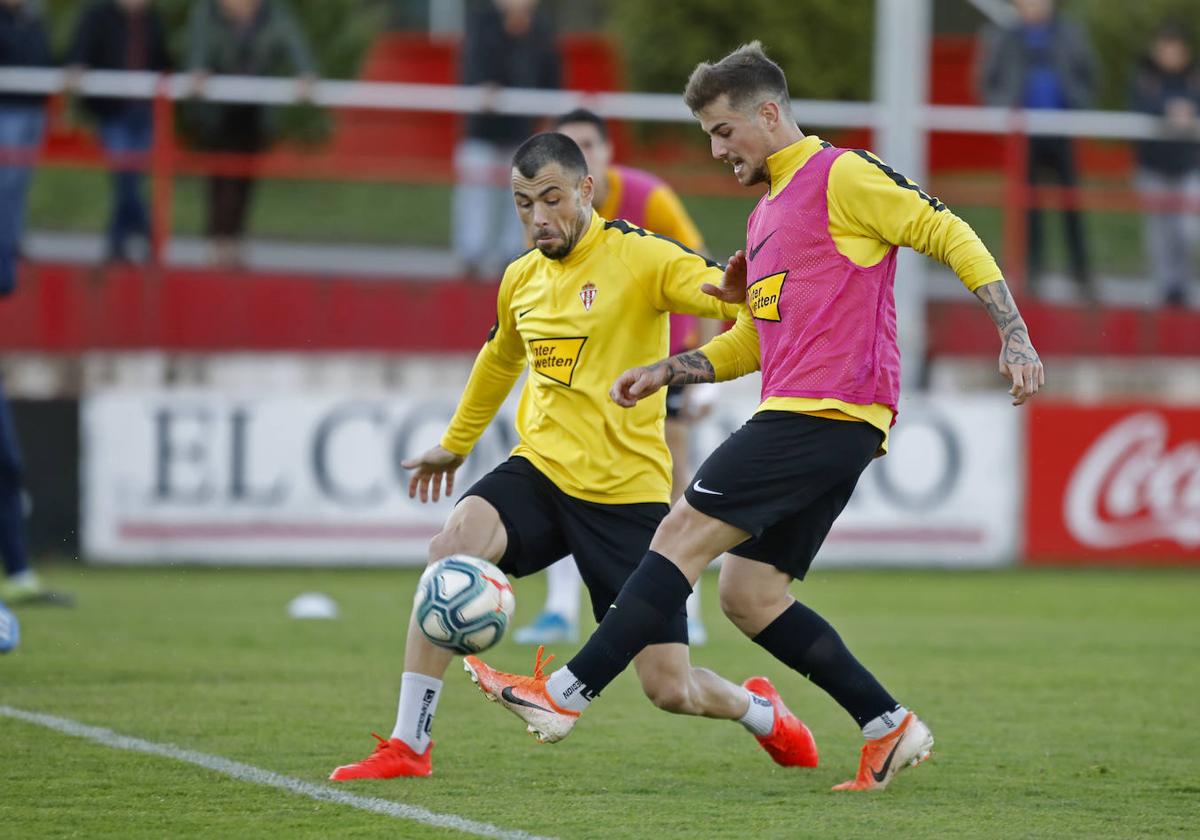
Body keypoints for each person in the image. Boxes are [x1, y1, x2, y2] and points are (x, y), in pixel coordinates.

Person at [466, 42, 1046, 793]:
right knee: (750, 595)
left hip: (824, 412)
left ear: (768, 115)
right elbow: (753, 338)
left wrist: (1014, 329)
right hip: (818, 418)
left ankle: (566, 695)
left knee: (678, 530)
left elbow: (945, 228)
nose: (715, 148)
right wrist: (666, 369)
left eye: (723, 130)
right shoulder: (769, 210)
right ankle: (888, 725)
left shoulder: (843, 175)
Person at [329, 132, 818, 781]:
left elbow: (708, 288)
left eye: (552, 199)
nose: (538, 217)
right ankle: (407, 744)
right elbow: (500, 356)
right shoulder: (521, 279)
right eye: (523, 202)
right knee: (450, 552)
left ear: (587, 190)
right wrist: (456, 444)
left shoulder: (638, 257)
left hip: (626, 498)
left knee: (670, 688)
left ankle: (759, 710)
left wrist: (730, 290)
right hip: (542, 471)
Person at [513, 108, 713, 647]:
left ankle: (681, 603)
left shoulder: (648, 197)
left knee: (672, 481)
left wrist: (697, 363)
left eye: (586, 146)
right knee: (556, 467)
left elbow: (702, 269)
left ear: (600, 159)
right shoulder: (550, 218)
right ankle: (559, 608)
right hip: (580, 361)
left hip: (659, 360)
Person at [978, 0, 1097, 299]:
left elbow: (1089, 74)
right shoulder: (1004, 36)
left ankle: (1082, 275)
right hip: (1023, 135)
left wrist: (1077, 103)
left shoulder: (1069, 32)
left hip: (1062, 129)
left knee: (1071, 204)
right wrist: (1003, 110)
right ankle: (1031, 274)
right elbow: (987, 81)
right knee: (1028, 207)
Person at [184, 0, 315, 268]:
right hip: (218, 111)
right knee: (220, 176)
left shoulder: (273, 14)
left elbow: (294, 42)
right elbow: (197, 52)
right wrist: (197, 73)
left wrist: (306, 74)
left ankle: (235, 240)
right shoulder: (207, 14)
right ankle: (218, 242)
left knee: (245, 177)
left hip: (254, 111)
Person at [453, 0, 561, 279]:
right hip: (482, 130)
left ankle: (513, 256)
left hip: (520, 132)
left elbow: (551, 76)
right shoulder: (482, 23)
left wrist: (549, 116)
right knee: (476, 191)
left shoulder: (541, 29)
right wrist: (483, 89)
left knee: (522, 195)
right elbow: (471, 69)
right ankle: (471, 254)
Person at [67, 0, 173, 265]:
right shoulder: (97, 15)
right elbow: (80, 51)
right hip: (112, 109)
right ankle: (145, 230)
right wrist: (78, 68)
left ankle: (118, 243)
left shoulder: (152, 20)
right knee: (124, 175)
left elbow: (163, 60)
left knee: (132, 176)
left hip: (144, 110)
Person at [1130, 21, 1200, 308]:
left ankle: (1181, 286)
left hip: (1188, 166)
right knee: (1158, 233)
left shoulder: (1194, 79)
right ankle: (1165, 293)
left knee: (1186, 230)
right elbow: (1138, 109)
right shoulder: (1144, 78)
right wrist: (1166, 110)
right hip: (1153, 166)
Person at [0, 0, 51, 292]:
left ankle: (12, 248)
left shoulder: (34, 16)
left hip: (33, 107)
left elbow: (42, 55)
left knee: (18, 183)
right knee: (6, 184)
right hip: (7, 107)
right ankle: (5, 259)